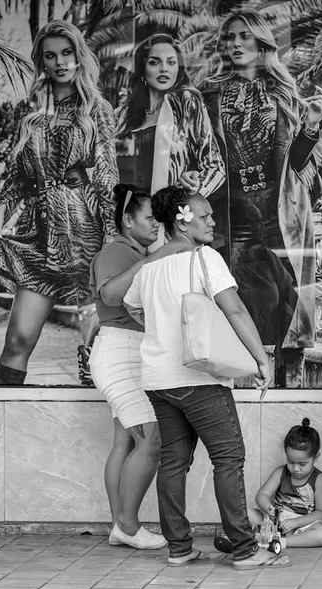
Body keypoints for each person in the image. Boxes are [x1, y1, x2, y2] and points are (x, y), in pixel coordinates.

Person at [123, 186, 289, 569]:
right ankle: (246, 549)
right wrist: (259, 358)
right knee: (228, 457)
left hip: (158, 378)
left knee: (174, 461)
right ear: (181, 217)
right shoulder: (204, 258)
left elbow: (131, 305)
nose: (212, 221)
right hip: (198, 377)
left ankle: (179, 548)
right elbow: (236, 311)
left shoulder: (149, 266)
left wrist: (161, 331)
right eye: (204, 215)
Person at [0, 19, 118, 385]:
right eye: (50, 56)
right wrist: (0, 211)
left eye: (67, 53)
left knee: (96, 345)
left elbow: (107, 177)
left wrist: (112, 240)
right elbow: (17, 175)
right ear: (41, 62)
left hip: (86, 233)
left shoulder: (96, 108)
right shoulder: (27, 110)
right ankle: (4, 421)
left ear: (78, 56)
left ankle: (115, 436)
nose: (60, 62)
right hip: (39, 234)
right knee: (18, 339)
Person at [201, 9, 322, 383]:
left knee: (290, 297)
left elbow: (295, 162)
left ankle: (289, 381)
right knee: (246, 296)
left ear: (261, 43)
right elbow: (199, 149)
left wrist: (311, 125)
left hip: (279, 209)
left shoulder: (282, 91)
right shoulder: (209, 90)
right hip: (234, 210)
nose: (237, 43)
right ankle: (252, 375)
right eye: (230, 37)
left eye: (244, 36)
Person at [89, 184, 190, 551]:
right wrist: (154, 258)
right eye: (149, 218)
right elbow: (111, 295)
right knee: (152, 440)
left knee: (125, 442)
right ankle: (128, 527)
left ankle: (121, 525)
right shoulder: (118, 251)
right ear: (127, 220)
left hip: (125, 351)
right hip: (121, 352)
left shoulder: (131, 251)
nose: (156, 225)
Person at [115, 33, 225, 240]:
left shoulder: (186, 103)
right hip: (130, 225)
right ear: (142, 68)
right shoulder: (123, 115)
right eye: (155, 62)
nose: (164, 69)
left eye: (171, 62)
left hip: (168, 225)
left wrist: (184, 203)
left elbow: (215, 167)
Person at [215, 418, 322, 551]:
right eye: (290, 462)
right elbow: (262, 495)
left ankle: (279, 542)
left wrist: (296, 523)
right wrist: (268, 508)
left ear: (315, 458)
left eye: (302, 464)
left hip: (302, 526)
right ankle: (240, 537)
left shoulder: (319, 479)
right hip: (273, 522)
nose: (295, 468)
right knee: (241, 511)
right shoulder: (280, 472)